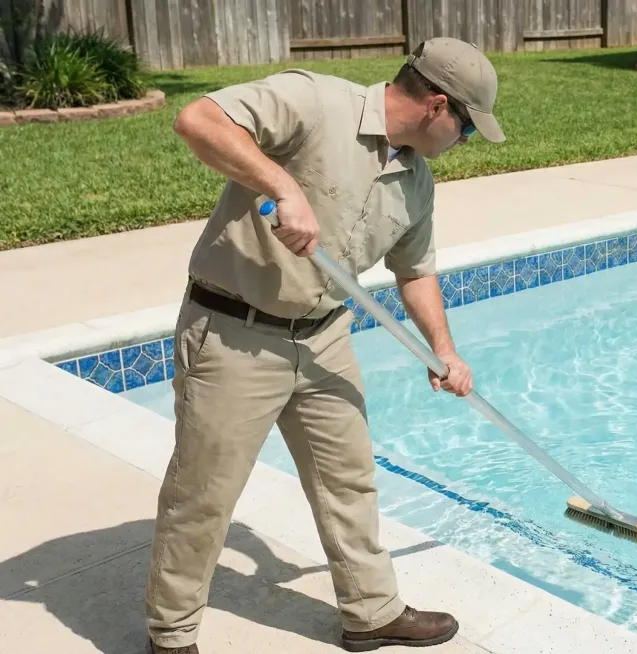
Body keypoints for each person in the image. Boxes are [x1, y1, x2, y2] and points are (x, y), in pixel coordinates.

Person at [144, 37, 505, 654]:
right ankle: (171, 635)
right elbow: (197, 119)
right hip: (236, 333)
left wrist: (445, 350)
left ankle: (371, 613)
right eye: (468, 130)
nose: (464, 144)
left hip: (323, 334)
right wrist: (282, 185)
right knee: (204, 495)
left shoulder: (415, 179)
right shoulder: (314, 101)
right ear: (438, 107)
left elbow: (414, 271)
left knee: (349, 479)